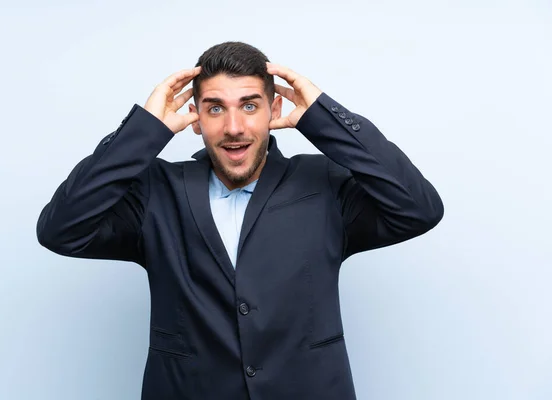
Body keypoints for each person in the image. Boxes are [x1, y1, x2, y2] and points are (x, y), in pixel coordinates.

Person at [37, 41, 444, 400]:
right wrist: (143, 131)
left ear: (275, 109)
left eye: (250, 106)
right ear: (195, 118)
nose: (234, 128)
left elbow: (419, 208)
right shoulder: (156, 192)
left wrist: (324, 117)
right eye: (216, 109)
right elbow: (61, 229)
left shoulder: (323, 185)